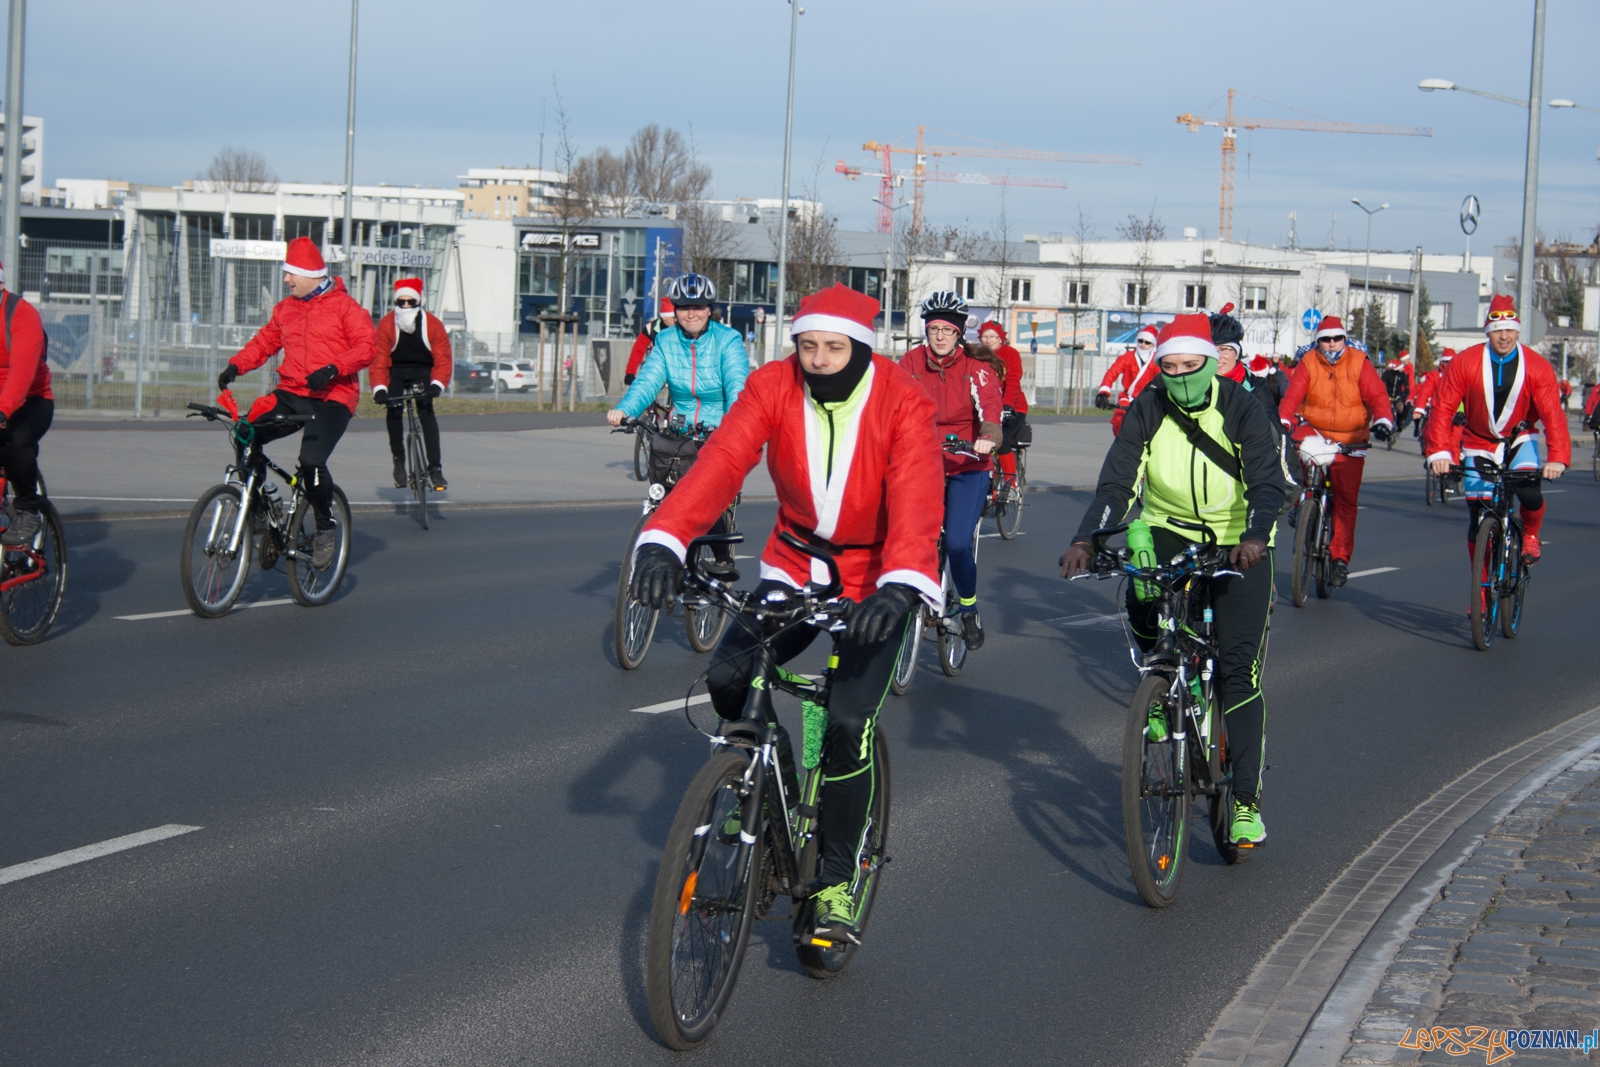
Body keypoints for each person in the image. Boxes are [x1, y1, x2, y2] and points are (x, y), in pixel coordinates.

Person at [628, 284, 943, 944]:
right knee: (728, 679)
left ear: (860, 346)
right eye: (808, 345)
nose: (820, 359)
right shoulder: (774, 385)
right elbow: (722, 460)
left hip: (876, 578)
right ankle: (768, 801)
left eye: (834, 347)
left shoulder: (901, 400)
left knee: (847, 721)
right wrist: (664, 537)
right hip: (795, 568)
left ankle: (834, 881)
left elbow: (917, 494)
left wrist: (901, 586)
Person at [1060, 314, 1286, 846]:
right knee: (1138, 585)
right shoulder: (1150, 406)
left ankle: (1247, 802)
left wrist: (1254, 536)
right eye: (1169, 366)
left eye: (1191, 365)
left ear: (1211, 363)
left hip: (1239, 542)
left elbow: (1266, 482)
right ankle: (1161, 684)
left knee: (1237, 672)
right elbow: (1117, 481)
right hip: (1169, 528)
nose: (1180, 375)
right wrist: (1086, 539)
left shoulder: (1241, 407)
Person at [217, 237, 375, 568]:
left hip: (333, 398)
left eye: (291, 274)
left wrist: (333, 369)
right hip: (292, 393)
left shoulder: (346, 307)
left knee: (311, 461)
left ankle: (325, 527)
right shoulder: (286, 309)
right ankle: (258, 509)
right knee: (246, 435)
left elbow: (366, 347)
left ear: (310, 275)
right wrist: (235, 366)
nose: (286, 280)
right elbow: (264, 343)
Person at [608, 273, 749, 580]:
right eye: (683, 306)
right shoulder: (666, 341)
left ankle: (723, 558)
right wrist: (624, 409)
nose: (691, 313)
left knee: (706, 493)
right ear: (675, 310)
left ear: (709, 308)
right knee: (666, 486)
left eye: (698, 306)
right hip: (681, 428)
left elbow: (738, 388)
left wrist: (734, 426)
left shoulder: (728, 341)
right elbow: (648, 381)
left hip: (720, 430)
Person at [1425, 294, 1568, 567]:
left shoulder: (1537, 366)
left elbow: (1553, 414)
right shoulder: (1465, 362)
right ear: (1488, 332)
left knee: (1529, 492)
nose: (1504, 336)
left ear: (1517, 331)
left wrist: (1557, 456)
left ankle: (1531, 535)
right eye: (1497, 330)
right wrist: (1440, 452)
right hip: (1479, 441)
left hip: (1519, 439)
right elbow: (1442, 408)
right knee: (1478, 514)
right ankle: (1479, 589)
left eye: (1509, 330)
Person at [899, 291, 1004, 650]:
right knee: (906, 537)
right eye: (934, 329)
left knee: (958, 542)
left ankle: (970, 609)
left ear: (959, 334)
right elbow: (891, 404)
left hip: (967, 464)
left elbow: (990, 406)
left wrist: (987, 437)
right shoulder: (911, 363)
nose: (940, 336)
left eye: (948, 330)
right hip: (923, 464)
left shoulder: (977, 369)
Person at [1276, 315, 1394, 588]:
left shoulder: (1359, 362)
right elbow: (1292, 395)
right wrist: (1283, 418)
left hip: (1351, 437)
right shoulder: (1308, 363)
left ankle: (1340, 559)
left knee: (1345, 500)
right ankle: (1302, 502)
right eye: (1325, 339)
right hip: (1315, 429)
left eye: (1336, 338)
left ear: (1344, 339)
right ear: (1318, 342)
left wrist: (1383, 420)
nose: (1331, 344)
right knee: (1295, 452)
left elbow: (1377, 395)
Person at [370, 277, 452, 492]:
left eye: (411, 302)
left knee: (426, 412)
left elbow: (443, 358)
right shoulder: (387, 324)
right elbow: (379, 359)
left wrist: (437, 385)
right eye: (401, 302)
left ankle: (435, 469)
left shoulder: (433, 325)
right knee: (393, 410)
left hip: (422, 371)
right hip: (395, 371)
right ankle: (398, 460)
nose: (406, 306)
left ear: (419, 302)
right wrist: (379, 388)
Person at [0, 263, 52, 546]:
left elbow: (22, 370)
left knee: (13, 438)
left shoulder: (21, 314)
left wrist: (4, 408)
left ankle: (26, 510)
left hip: (32, 399)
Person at [978, 320, 1031, 483]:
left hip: (1014, 407)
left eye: (993, 336)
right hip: (986, 408)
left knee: (1001, 441)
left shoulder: (1011, 354)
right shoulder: (977, 356)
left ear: (1001, 338)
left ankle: (1011, 483)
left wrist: (1007, 405)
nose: (989, 340)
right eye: (985, 336)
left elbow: (1013, 381)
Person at [1096, 323, 1159, 435]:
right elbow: (1112, 373)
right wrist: (1104, 392)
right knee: (1119, 416)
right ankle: (1120, 443)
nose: (1143, 344)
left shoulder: (1156, 361)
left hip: (1149, 399)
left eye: (1147, 342)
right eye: (1140, 341)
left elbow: (1161, 380)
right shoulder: (1127, 357)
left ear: (1153, 344)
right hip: (1129, 398)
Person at [623, 299, 674, 387]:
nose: (677, 320)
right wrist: (630, 372)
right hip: (656, 367)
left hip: (677, 368)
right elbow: (638, 350)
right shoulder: (650, 329)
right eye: (674, 317)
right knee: (645, 391)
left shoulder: (682, 328)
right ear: (664, 317)